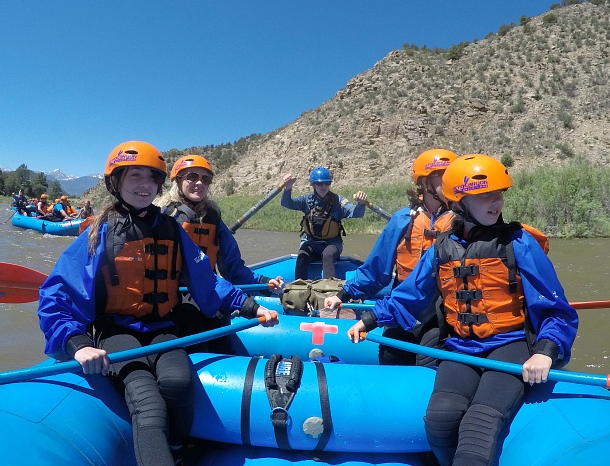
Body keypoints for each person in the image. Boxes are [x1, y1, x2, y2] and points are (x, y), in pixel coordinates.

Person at [38, 141, 274, 466]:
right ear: (115, 182)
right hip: (116, 333)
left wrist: (251, 307)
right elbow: (57, 296)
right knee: (148, 404)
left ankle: (177, 451)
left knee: (178, 382)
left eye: (151, 178)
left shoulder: (172, 230)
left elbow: (207, 280)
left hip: (163, 328)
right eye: (134, 176)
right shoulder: (100, 234)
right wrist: (78, 345)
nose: (144, 184)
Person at [346, 154, 578, 466]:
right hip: (460, 347)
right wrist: (370, 319)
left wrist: (545, 351)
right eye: (485, 196)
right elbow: (410, 295)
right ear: (460, 201)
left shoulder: (518, 242)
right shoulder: (443, 248)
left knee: (477, 424)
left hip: (509, 347)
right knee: (440, 420)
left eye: (499, 194)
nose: (496, 203)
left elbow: (555, 308)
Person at [324, 149, 457, 365]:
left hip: (441, 310)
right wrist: (344, 294)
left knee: (431, 359)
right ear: (424, 183)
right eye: (443, 176)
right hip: (402, 305)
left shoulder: (460, 220)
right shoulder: (403, 219)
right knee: (390, 356)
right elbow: (377, 268)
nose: (450, 181)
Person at [162, 154, 284, 292]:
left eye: (205, 179)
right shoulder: (164, 216)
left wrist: (265, 281)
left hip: (205, 293)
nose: (200, 183)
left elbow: (233, 267)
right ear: (177, 181)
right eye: (192, 176)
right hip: (171, 295)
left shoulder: (213, 219)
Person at [281, 167, 368, 280]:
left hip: (332, 243)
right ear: (313, 185)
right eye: (319, 183)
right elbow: (286, 203)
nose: (323, 186)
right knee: (302, 255)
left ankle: (329, 289)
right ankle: (299, 289)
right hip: (311, 242)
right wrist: (288, 188)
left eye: (327, 183)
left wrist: (361, 204)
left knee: (328, 255)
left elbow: (355, 212)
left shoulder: (339, 201)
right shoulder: (306, 200)